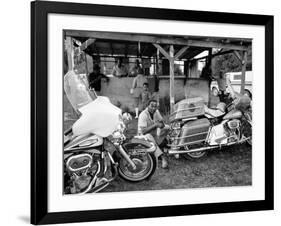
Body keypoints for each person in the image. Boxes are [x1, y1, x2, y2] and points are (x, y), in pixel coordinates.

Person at [138, 99, 169, 169]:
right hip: (143, 137)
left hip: (153, 134)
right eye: (152, 106)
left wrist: (161, 125)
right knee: (148, 136)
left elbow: (162, 122)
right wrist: (155, 125)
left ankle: (171, 146)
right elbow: (143, 131)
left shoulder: (156, 112)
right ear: (147, 106)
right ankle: (162, 157)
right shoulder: (143, 115)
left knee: (168, 127)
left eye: (155, 106)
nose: (153, 108)